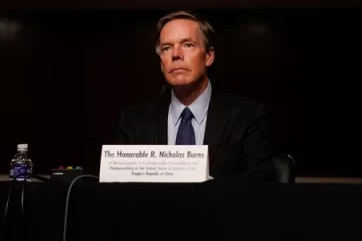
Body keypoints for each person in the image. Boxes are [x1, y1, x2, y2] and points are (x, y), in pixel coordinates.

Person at [115, 10, 276, 180]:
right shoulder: (133, 121)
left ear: (209, 56)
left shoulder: (248, 117)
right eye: (167, 48)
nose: (176, 54)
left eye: (187, 45)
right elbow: (115, 183)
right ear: (161, 64)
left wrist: (208, 188)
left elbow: (261, 181)